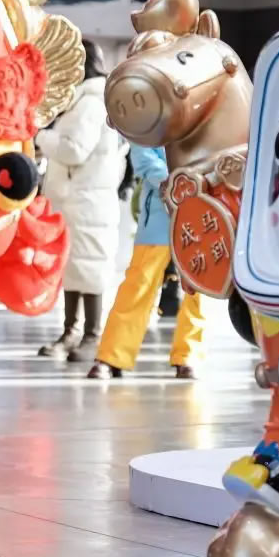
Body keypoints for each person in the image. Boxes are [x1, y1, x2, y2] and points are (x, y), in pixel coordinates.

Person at [35, 40, 128, 361]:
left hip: (86, 202)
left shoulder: (90, 103)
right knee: (74, 268)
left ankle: (91, 336)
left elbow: (74, 150)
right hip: (79, 201)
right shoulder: (85, 101)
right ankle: (71, 332)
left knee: (89, 270)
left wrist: (40, 136)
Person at [88, 145, 207, 380]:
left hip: (198, 212)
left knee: (198, 289)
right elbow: (142, 155)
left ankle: (188, 356)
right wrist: (177, 183)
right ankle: (111, 357)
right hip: (159, 215)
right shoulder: (153, 123)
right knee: (138, 285)